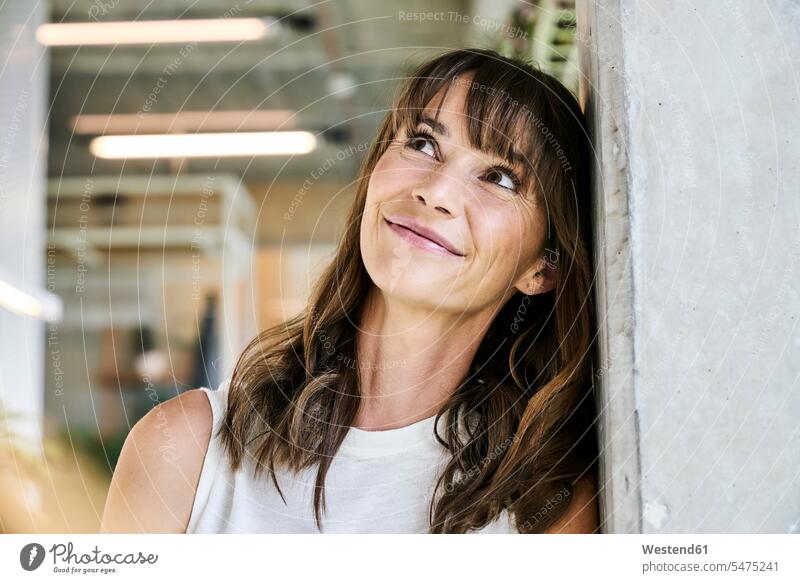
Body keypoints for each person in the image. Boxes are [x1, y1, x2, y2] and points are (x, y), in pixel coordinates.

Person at [101, 48, 599, 534]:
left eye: (500, 178)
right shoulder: (186, 449)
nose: (435, 191)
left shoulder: (544, 503)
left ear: (542, 267)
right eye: (424, 143)